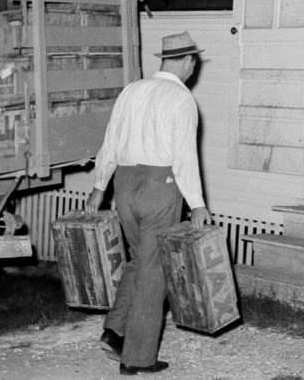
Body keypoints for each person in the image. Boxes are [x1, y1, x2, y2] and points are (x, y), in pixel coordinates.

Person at [85, 31, 212, 376]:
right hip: (160, 186)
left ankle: (114, 331)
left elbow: (110, 141)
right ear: (188, 61)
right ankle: (136, 359)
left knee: (141, 259)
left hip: (124, 185)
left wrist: (100, 187)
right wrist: (197, 204)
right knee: (155, 273)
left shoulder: (132, 90)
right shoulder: (182, 98)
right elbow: (185, 156)